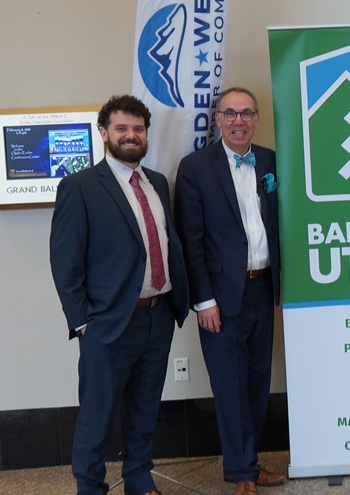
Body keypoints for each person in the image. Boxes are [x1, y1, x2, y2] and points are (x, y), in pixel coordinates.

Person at [49, 94, 189, 495]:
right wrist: (83, 323)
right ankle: (90, 487)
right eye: (122, 128)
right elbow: (66, 263)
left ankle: (140, 480)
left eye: (138, 129)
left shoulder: (157, 182)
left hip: (157, 318)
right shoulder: (79, 187)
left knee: (145, 409)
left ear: (146, 134)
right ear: (104, 133)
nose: (131, 136)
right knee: (97, 415)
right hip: (107, 325)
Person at [175, 87, 283, 495]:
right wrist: (204, 300)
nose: (239, 121)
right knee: (229, 384)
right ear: (217, 119)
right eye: (231, 114)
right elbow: (191, 239)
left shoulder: (271, 161)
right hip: (220, 297)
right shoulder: (195, 168)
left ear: (256, 118)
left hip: (262, 287)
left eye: (247, 114)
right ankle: (240, 473)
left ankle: (248, 464)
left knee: (257, 381)